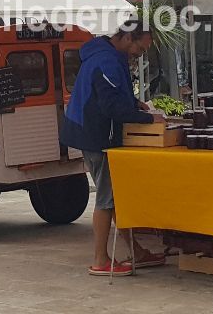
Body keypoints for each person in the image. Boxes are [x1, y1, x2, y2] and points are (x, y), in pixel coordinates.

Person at [59, 23, 166, 276]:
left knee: (114, 198)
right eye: (140, 48)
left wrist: (134, 103)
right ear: (128, 37)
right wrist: (150, 119)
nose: (140, 54)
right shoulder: (107, 60)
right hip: (97, 137)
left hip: (90, 132)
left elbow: (111, 96)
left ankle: (136, 252)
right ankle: (100, 259)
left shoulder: (105, 54)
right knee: (107, 198)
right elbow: (111, 108)